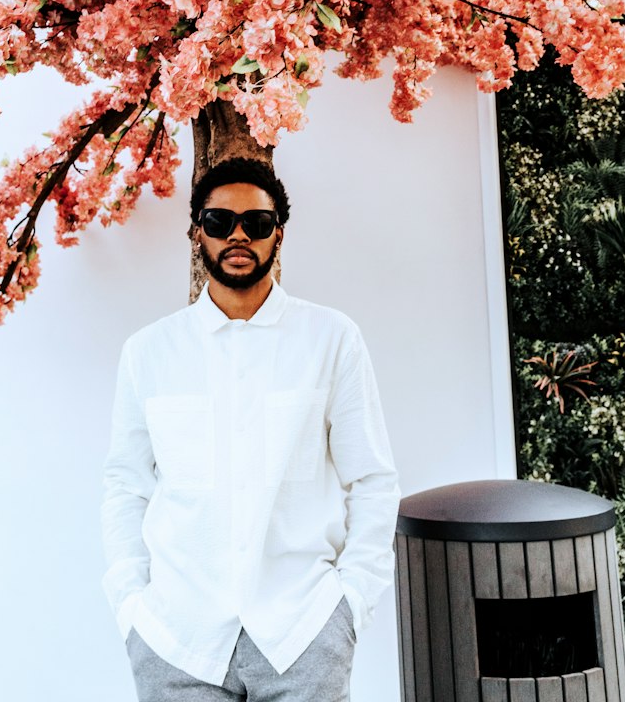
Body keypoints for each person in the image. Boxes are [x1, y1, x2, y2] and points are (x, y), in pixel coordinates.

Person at [101, 156, 401, 701]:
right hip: (176, 640)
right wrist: (131, 607)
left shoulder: (331, 340)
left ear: (277, 236)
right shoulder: (148, 353)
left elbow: (373, 481)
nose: (238, 235)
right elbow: (126, 485)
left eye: (256, 224)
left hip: (302, 634)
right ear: (197, 233)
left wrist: (350, 607)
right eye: (219, 222)